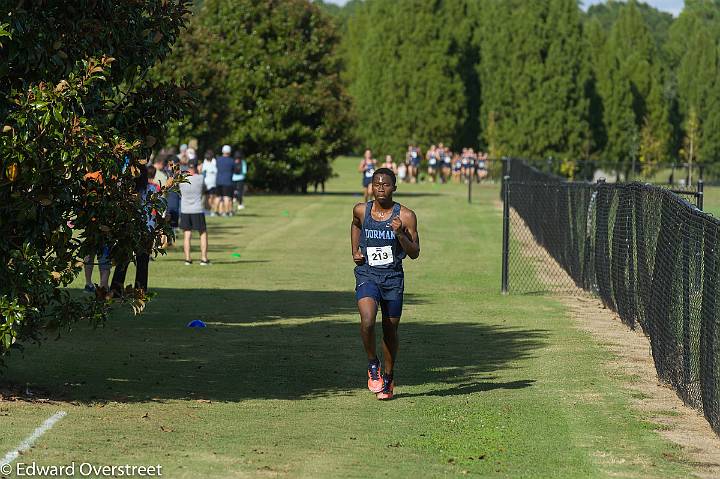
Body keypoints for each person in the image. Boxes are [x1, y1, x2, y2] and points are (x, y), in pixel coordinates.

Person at [350, 167, 420, 400]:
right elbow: (356, 225)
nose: (381, 188)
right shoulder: (362, 210)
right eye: (377, 184)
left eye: (386, 184)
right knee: (368, 320)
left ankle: (388, 378)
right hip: (367, 273)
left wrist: (400, 234)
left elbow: (415, 253)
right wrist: (354, 250)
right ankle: (373, 364)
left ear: (394, 188)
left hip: (392, 278)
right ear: (371, 186)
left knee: (390, 330)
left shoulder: (406, 216)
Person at [110, 165, 156, 296]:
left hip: (128, 228)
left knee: (122, 262)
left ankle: (116, 289)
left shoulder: (126, 192)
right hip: (146, 229)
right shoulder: (151, 189)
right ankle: (140, 290)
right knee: (142, 263)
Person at [179, 162, 210, 265]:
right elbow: (205, 189)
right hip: (197, 209)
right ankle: (204, 258)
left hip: (185, 209)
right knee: (203, 233)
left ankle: (188, 258)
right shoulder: (200, 178)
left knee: (187, 235)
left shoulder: (182, 179)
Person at [215, 145, 235, 216]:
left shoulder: (218, 159)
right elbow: (234, 170)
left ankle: (216, 211)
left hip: (218, 180)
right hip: (227, 181)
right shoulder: (232, 161)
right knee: (226, 197)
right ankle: (227, 212)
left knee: (218, 197)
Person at [200, 149, 218, 216]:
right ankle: (208, 210)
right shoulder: (205, 163)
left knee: (210, 197)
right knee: (209, 197)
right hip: (207, 183)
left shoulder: (214, 162)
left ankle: (210, 210)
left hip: (212, 183)